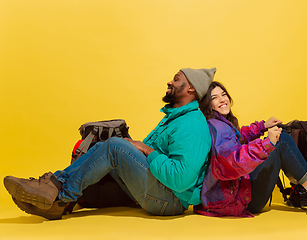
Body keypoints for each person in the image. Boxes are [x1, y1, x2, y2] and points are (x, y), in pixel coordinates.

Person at [3, 67, 216, 220]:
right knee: (105, 142)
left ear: (191, 89)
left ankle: (56, 191)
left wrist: (144, 148)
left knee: (115, 146)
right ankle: (60, 200)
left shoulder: (192, 125)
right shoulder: (176, 117)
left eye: (176, 79)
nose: (170, 82)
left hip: (169, 201)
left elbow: (180, 179)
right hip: (160, 189)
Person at [195, 81, 307, 217]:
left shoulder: (219, 123)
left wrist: (262, 126)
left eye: (223, 94)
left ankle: (304, 192)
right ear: (208, 104)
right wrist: (267, 144)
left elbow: (237, 138)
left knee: (280, 137)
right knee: (282, 141)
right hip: (238, 201)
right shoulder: (219, 128)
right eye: (214, 98)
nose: (222, 100)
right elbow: (232, 162)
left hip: (234, 194)